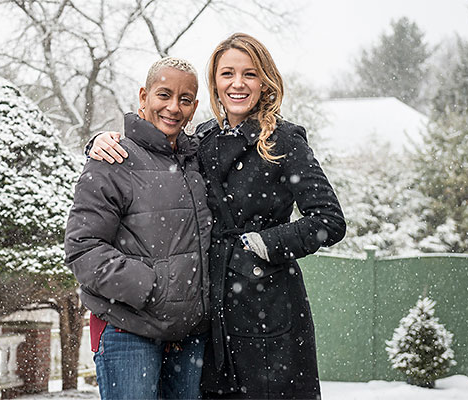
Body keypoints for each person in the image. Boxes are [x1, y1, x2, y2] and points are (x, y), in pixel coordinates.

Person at [88, 33, 346, 400]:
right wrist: (101, 142)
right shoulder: (203, 139)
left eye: (249, 74)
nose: (237, 83)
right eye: (228, 74)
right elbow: (157, 154)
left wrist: (263, 244)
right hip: (210, 317)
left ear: (265, 82)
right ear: (215, 82)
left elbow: (329, 220)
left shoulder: (284, 141)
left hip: (269, 308)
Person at [64, 57, 212, 400]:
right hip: (127, 330)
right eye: (164, 95)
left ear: (194, 108)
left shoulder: (197, 162)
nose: (173, 107)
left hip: (188, 338)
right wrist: (152, 288)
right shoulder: (112, 159)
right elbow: (82, 247)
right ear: (144, 96)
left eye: (184, 99)